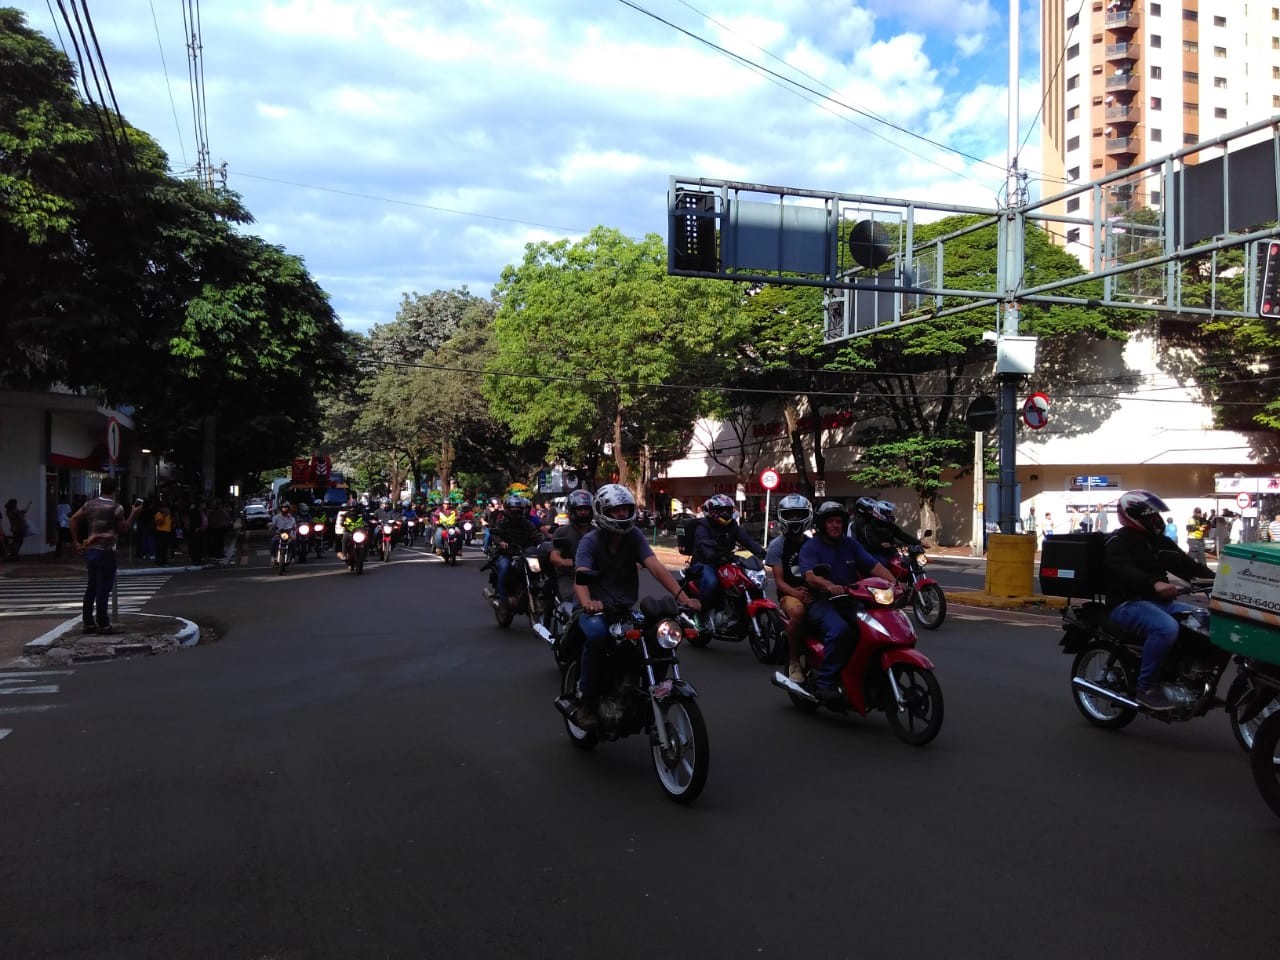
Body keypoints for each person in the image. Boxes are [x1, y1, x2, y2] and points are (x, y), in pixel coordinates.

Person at [570, 484, 699, 728]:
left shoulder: (634, 537)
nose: (621, 514)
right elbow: (581, 577)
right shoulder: (590, 541)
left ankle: (644, 692)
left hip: (625, 609)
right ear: (602, 511)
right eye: (616, 510)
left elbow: (655, 566)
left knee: (659, 634)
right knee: (597, 635)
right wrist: (587, 602)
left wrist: (683, 597)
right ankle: (586, 700)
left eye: (625, 509)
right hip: (593, 610)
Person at [1104, 489, 1214, 711]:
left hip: (1160, 603)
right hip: (1127, 604)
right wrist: (1154, 584)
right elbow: (1126, 571)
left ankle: (1188, 676)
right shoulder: (1117, 542)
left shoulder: (1159, 542)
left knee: (1205, 621)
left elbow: (1187, 566)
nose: (1157, 520)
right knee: (1165, 628)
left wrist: (1222, 583)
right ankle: (1147, 688)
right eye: (1150, 515)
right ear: (1135, 516)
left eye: (1157, 515)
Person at [798, 501, 898, 704]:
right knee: (840, 631)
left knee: (874, 630)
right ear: (822, 524)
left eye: (838, 522)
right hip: (822, 602)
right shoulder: (811, 547)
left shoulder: (850, 544)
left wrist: (895, 583)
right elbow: (809, 576)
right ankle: (826, 682)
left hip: (850, 600)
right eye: (831, 522)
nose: (835, 525)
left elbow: (874, 566)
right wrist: (828, 585)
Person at [69, 478, 144, 634]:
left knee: (91, 587)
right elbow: (124, 528)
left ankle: (88, 623)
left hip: (91, 550)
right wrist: (134, 513)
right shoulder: (117, 508)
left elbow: (73, 519)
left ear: (101, 489)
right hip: (107, 551)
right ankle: (103, 624)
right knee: (103, 589)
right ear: (115, 490)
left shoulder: (89, 505)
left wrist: (76, 542)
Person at [689, 493, 765, 623]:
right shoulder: (704, 525)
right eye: (721, 510)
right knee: (712, 582)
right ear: (713, 511)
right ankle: (701, 613)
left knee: (743, 579)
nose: (725, 513)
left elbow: (747, 540)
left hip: (725, 560)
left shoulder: (733, 526)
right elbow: (703, 544)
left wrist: (762, 553)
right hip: (704, 562)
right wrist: (712, 554)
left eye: (728, 510)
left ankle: (736, 610)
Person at [764, 493, 814, 684]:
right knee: (799, 612)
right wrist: (796, 593)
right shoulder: (777, 546)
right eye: (790, 515)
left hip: (815, 592)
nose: (794, 519)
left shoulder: (812, 544)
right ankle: (794, 662)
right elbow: (779, 581)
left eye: (798, 514)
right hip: (789, 595)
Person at [488, 495, 545, 617]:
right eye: (513, 508)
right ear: (508, 509)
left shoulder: (527, 524)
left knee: (538, 567)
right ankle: (503, 600)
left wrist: (544, 543)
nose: (516, 511)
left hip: (524, 554)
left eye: (518, 508)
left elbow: (536, 535)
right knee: (504, 567)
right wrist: (501, 542)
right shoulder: (502, 523)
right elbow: (495, 534)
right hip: (507, 554)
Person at [546, 489, 595, 621]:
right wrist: (563, 562)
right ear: (572, 510)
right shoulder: (562, 532)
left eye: (586, 509)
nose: (584, 512)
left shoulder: (598, 532)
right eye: (580, 509)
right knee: (575, 598)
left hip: (594, 576)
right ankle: (570, 631)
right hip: (568, 576)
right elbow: (554, 556)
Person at [849, 496, 920, 567]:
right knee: (884, 564)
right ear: (862, 509)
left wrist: (918, 543)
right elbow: (868, 541)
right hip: (869, 554)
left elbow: (901, 534)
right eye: (870, 509)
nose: (872, 511)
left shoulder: (883, 523)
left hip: (887, 552)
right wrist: (886, 545)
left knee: (905, 563)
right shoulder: (858, 524)